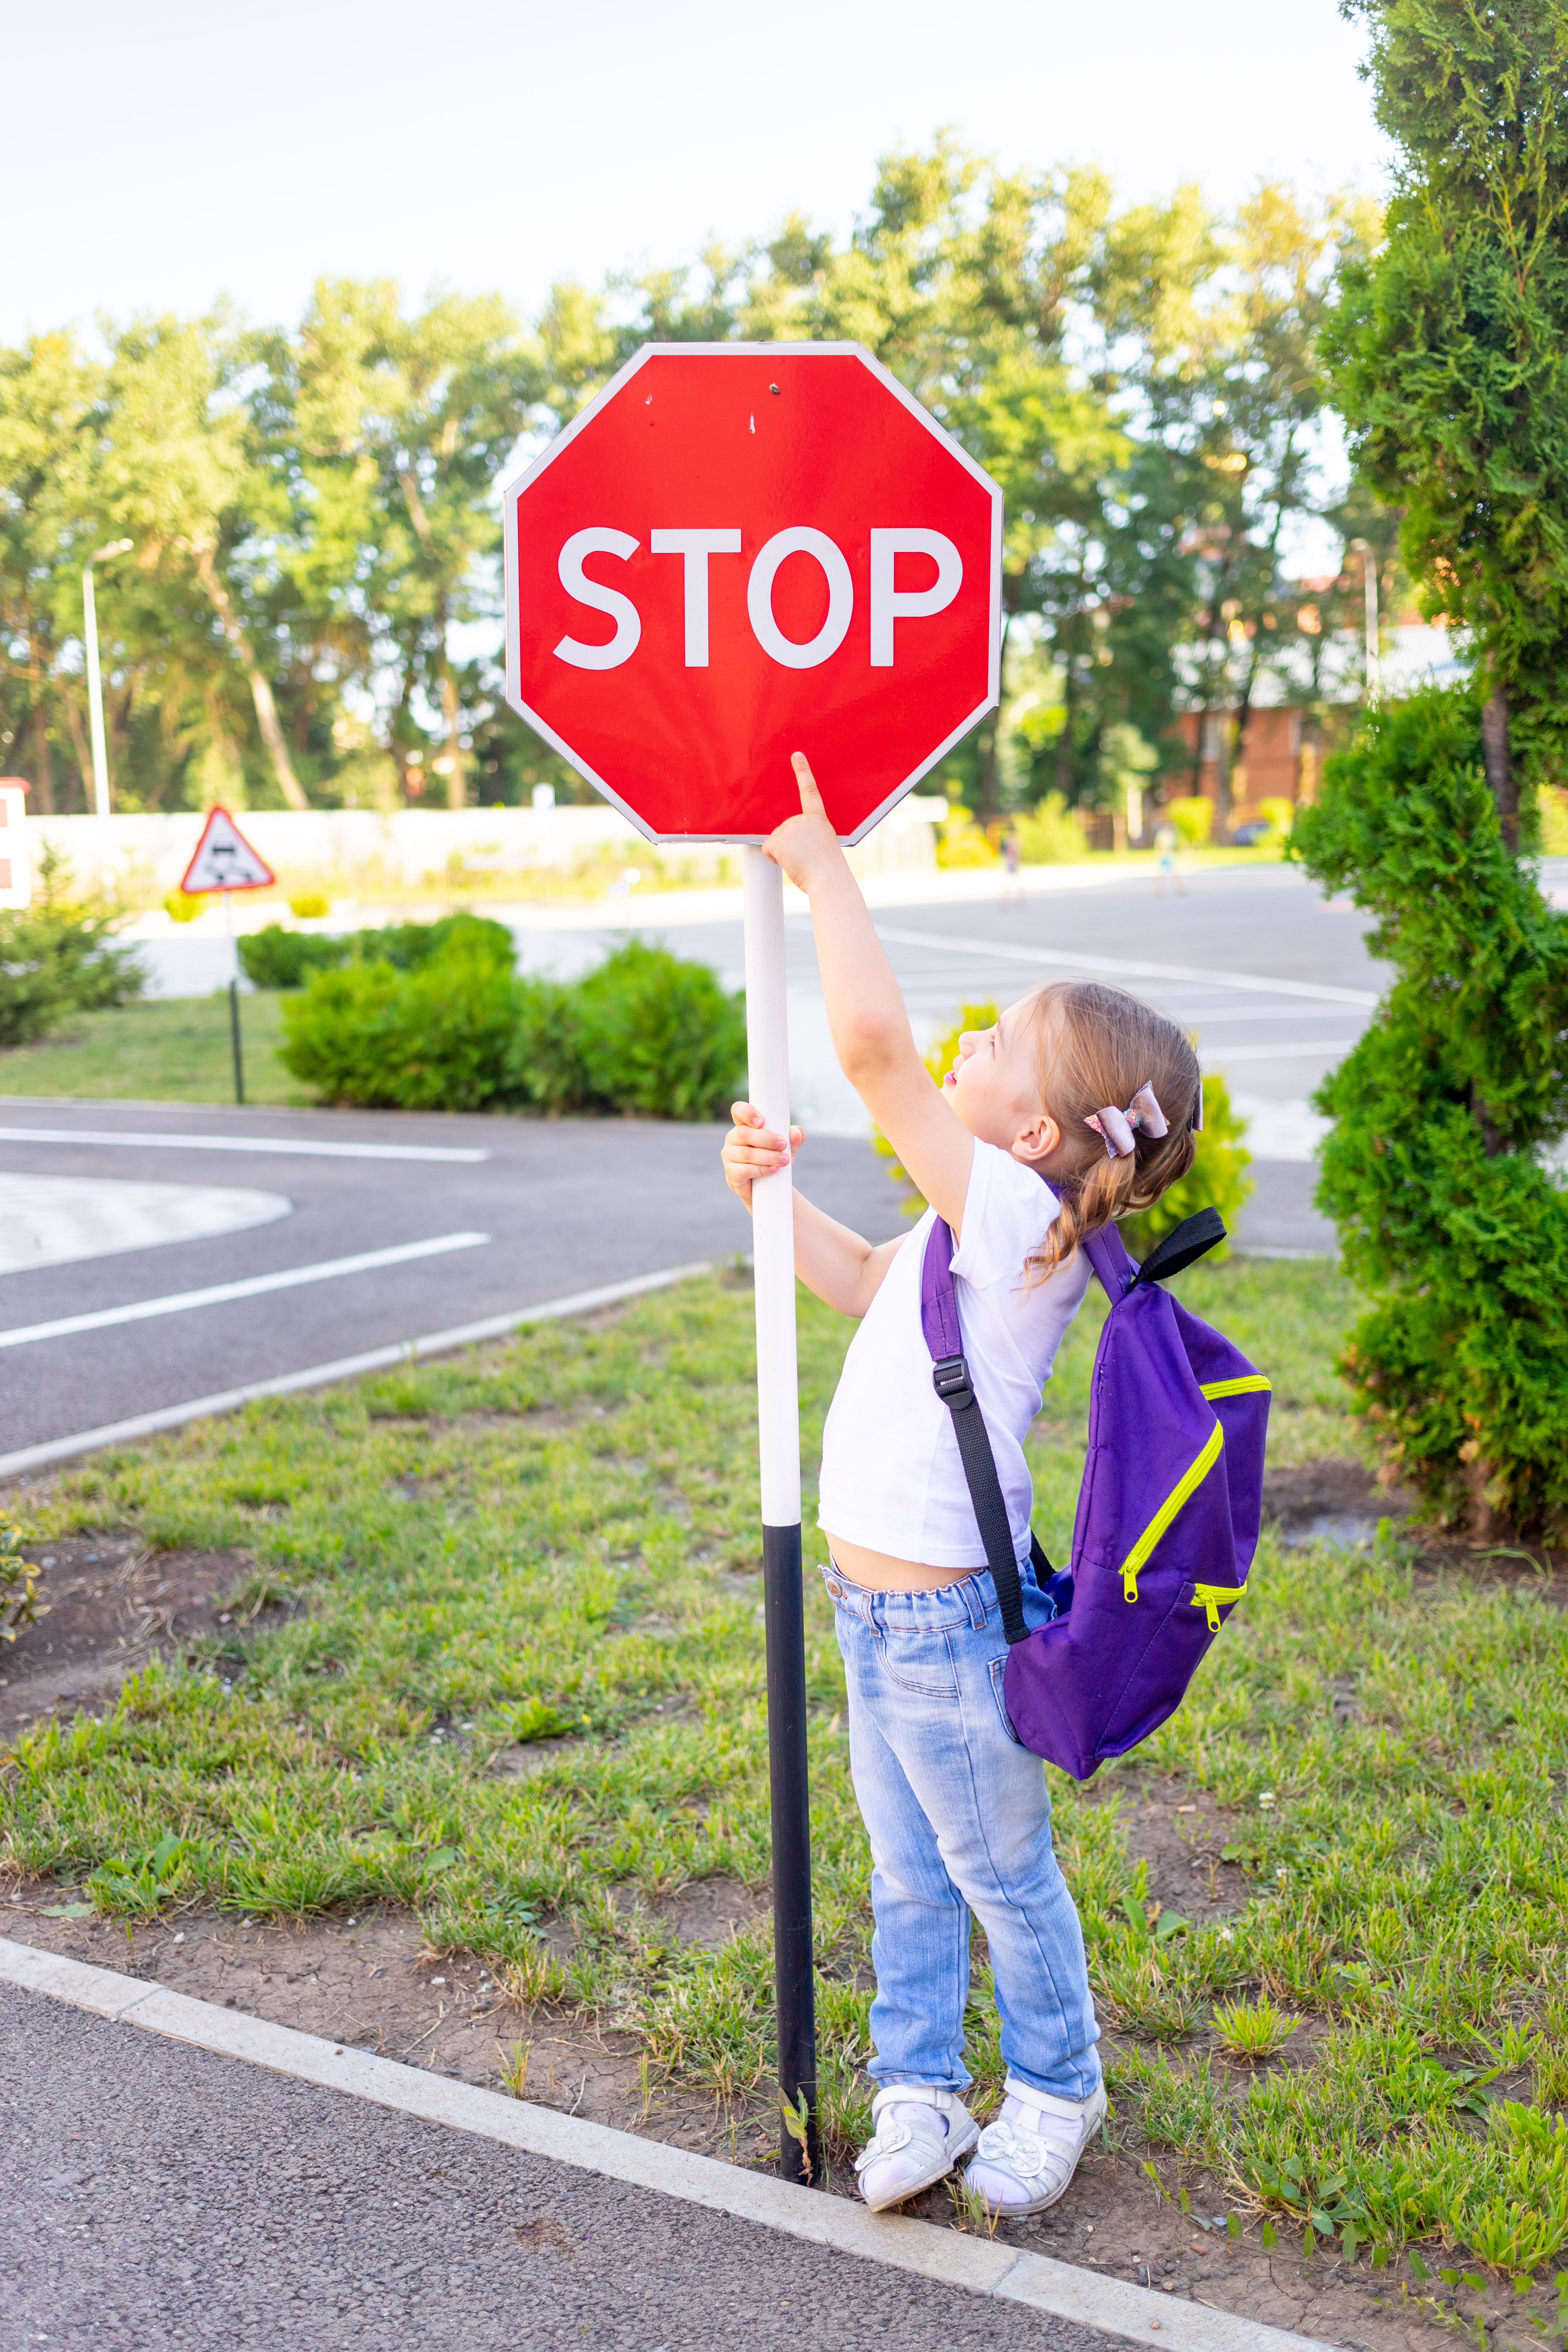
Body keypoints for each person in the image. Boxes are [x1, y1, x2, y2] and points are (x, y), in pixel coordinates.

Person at [721, 753, 1203, 2222]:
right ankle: (917, 2086)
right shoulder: (966, 1226)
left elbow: (871, 1050)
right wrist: (766, 1195)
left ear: (1036, 1136)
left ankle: (1057, 2083)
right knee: (908, 1869)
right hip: (874, 1617)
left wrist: (824, 871)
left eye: (995, 1046)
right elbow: (860, 1281)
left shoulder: (1016, 1220)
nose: (965, 1043)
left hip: (942, 1629)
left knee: (996, 1873)